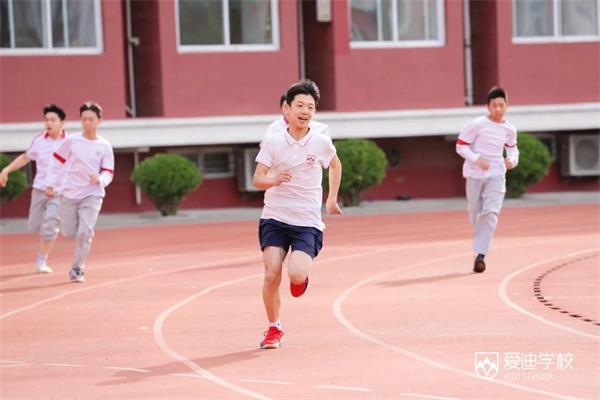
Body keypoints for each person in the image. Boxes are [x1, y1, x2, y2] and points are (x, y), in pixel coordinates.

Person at [253, 79, 343, 349]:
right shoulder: (273, 142)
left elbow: (335, 166)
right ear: (287, 110)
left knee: (296, 274)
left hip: (306, 221)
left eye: (311, 107)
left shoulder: (321, 142)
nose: (305, 111)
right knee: (271, 274)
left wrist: (331, 199)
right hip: (275, 217)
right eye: (300, 105)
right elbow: (257, 179)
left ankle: (299, 280)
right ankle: (274, 328)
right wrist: (274, 179)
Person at [47, 101, 114, 283]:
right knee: (69, 233)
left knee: (85, 232)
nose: (86, 123)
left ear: (99, 120)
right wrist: (54, 183)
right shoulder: (72, 141)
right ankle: (77, 232)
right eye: (83, 119)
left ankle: (77, 269)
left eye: (91, 119)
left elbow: (108, 171)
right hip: (69, 192)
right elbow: (56, 161)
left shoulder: (104, 145)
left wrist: (100, 180)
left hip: (93, 193)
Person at [456, 86, 519, 273]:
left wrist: (512, 161)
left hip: (497, 175)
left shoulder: (509, 129)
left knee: (490, 213)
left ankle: (481, 255)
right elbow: (460, 147)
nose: (498, 109)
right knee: (476, 212)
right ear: (488, 107)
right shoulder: (477, 124)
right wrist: (477, 159)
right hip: (475, 174)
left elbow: (513, 149)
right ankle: (479, 232)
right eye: (494, 105)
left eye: (502, 105)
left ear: (507, 106)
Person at [0, 104, 69, 274]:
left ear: (62, 123)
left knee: (50, 224)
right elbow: (25, 157)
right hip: (39, 190)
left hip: (60, 192)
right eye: (46, 120)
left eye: (53, 120)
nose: (49, 123)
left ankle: (42, 260)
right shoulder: (39, 140)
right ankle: (48, 229)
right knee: (33, 226)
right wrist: (6, 169)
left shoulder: (71, 142)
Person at [262, 93, 330, 145]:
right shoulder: (273, 129)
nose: (289, 110)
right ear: (282, 108)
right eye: (286, 107)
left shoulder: (320, 128)